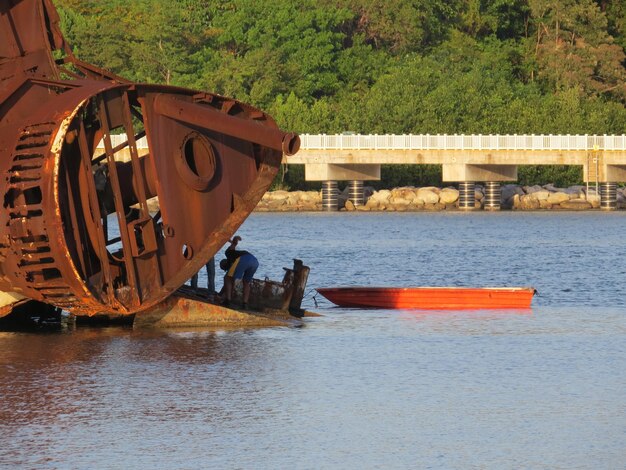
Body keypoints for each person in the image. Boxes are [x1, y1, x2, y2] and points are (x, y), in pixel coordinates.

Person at [220, 236, 258, 309]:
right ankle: (245, 304)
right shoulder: (234, 256)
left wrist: (235, 239)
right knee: (246, 282)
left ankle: (228, 301)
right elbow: (234, 244)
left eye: (224, 269)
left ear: (225, 265)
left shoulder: (228, 253)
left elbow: (233, 244)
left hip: (244, 259)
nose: (226, 270)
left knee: (227, 278)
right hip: (254, 261)